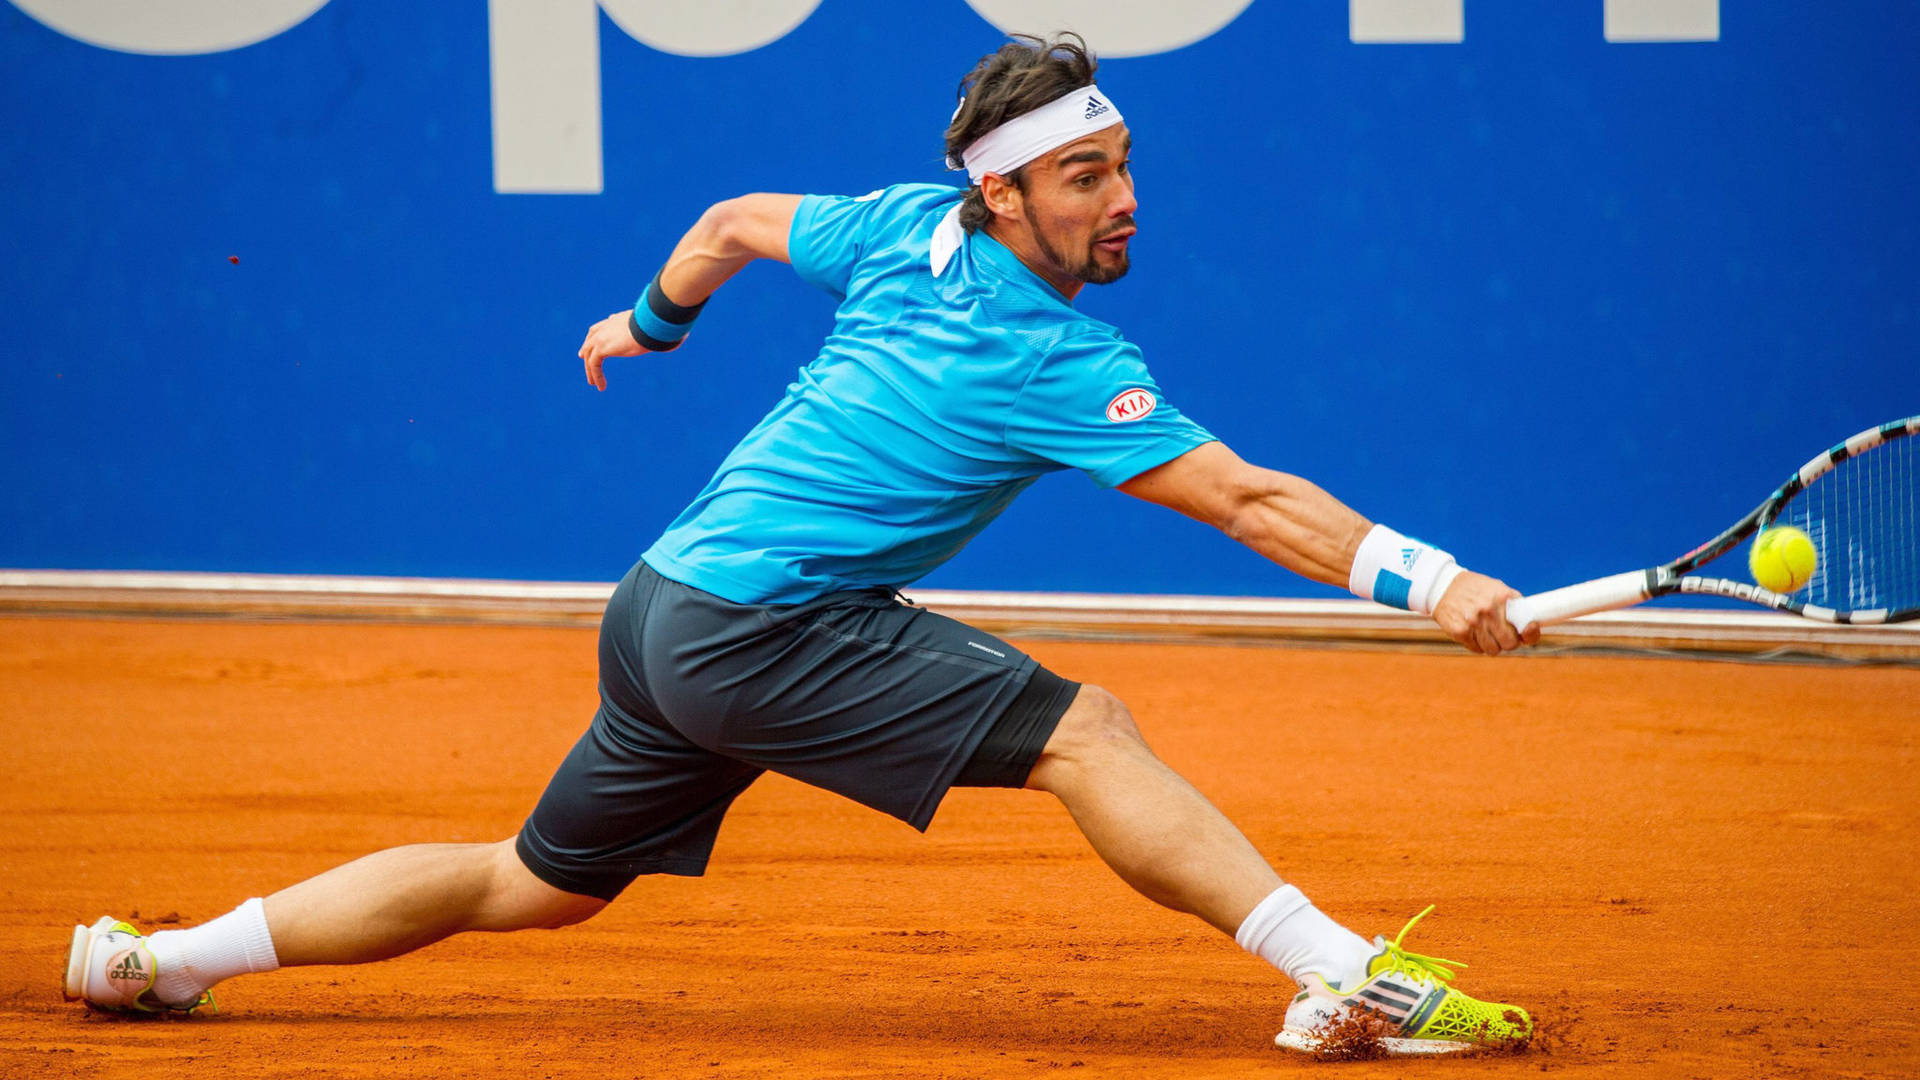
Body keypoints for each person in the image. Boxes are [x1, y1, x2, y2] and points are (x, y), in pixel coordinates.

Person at [66, 34, 1537, 1054]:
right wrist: (1434, 578)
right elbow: (1249, 500)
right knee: (1090, 732)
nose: (1123, 199)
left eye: (1125, 165)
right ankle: (1343, 977)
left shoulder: (899, 228)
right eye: (1084, 178)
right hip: (763, 626)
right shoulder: (1055, 362)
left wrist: (647, 324)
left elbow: (728, 222)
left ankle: (155, 962)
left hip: (658, 610)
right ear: (1003, 191)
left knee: (533, 882)